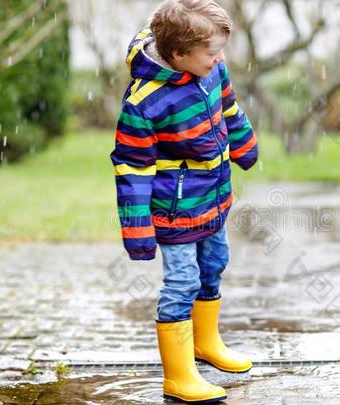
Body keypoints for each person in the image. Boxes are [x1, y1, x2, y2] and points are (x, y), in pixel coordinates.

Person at [110, 0, 258, 402]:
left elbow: (228, 109)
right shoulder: (144, 103)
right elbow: (131, 169)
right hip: (174, 211)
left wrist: (244, 145)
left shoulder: (211, 72)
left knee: (213, 266)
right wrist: (139, 233)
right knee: (182, 282)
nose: (220, 59)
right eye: (211, 53)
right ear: (178, 55)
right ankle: (177, 376)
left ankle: (204, 342)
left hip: (213, 199)